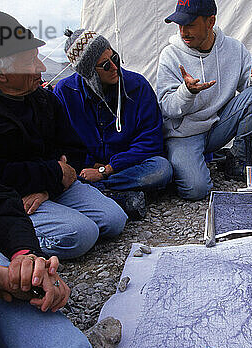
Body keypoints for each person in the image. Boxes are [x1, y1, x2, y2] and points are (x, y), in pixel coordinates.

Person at [0, 38, 235, 348]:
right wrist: (0, 273)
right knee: (40, 253)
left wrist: (25, 255)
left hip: (57, 187)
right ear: (0, 73)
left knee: (103, 219)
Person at [0, 8, 127, 259]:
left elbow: (75, 149)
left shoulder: (42, 98)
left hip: (51, 187)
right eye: (31, 61)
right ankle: (2, 240)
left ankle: (54, 217)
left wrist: (49, 186)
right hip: (7, 200)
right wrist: (54, 173)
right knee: (80, 234)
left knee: (114, 219)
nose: (42, 67)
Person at [157, 0, 252, 201]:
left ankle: (239, 161)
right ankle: (181, 161)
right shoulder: (170, 54)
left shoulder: (233, 48)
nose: (183, 32)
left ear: (210, 21)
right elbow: (167, 108)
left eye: (190, 24)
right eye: (180, 25)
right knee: (196, 190)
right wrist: (187, 92)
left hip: (217, 126)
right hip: (184, 134)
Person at [54, 29, 173, 220]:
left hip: (126, 165)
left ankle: (101, 193)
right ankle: (116, 195)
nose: (115, 67)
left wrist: (106, 170)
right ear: (89, 72)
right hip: (85, 169)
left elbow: (150, 141)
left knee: (161, 169)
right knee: (64, 173)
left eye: (114, 58)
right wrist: (90, 165)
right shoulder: (64, 92)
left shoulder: (137, 86)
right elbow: (60, 143)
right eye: (105, 65)